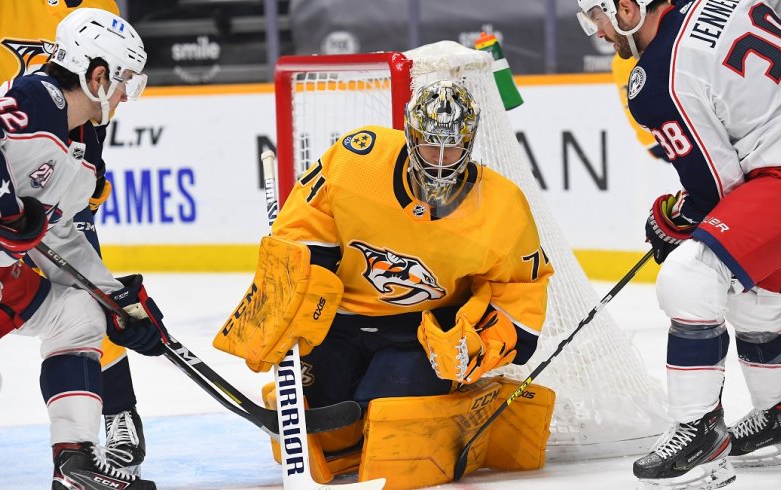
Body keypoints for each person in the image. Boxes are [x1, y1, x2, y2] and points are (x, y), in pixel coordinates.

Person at [214, 80, 556, 487]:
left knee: (389, 425)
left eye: (453, 147)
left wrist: (474, 347)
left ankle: (475, 400)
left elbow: (520, 294)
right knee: (327, 427)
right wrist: (292, 300)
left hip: (420, 332)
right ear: (410, 135)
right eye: (431, 145)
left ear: (470, 142)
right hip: (339, 321)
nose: (442, 161)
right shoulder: (358, 160)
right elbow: (303, 234)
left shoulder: (502, 207)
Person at [0, 8, 166, 489]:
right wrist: (7, 210)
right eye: (125, 82)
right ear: (98, 75)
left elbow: (57, 234)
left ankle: (74, 462)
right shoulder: (40, 96)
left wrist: (116, 299)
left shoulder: (84, 141)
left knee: (79, 313)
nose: (125, 95)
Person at [577, 0, 781, 488]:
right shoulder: (714, 5)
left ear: (626, 8)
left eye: (596, 17)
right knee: (756, 296)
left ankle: (700, 434)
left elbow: (714, 190)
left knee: (690, 274)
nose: (597, 32)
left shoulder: (654, 78)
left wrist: (678, 219)